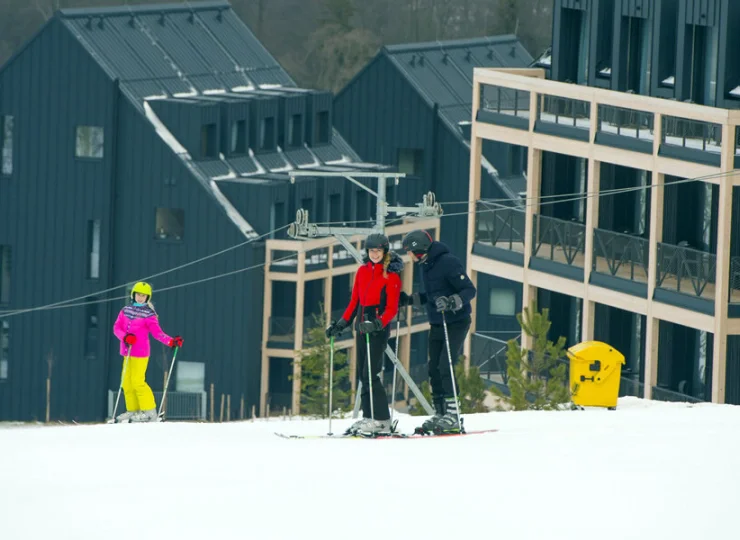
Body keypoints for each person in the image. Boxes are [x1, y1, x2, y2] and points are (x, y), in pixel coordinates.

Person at [325, 233, 403, 436]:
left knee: (372, 374)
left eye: (378, 250)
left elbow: (392, 308)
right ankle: (369, 417)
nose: (374, 254)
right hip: (360, 327)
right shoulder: (362, 271)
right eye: (371, 250)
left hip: (377, 330)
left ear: (384, 251)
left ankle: (383, 420)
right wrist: (341, 324)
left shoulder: (391, 276)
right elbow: (354, 302)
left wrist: (377, 324)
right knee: (362, 374)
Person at [400, 230, 476, 434]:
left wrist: (452, 302)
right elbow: (431, 295)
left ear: (419, 249)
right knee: (433, 367)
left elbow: (469, 290)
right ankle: (441, 413)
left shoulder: (448, 262)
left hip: (456, 321)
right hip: (437, 322)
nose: (409, 256)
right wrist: (410, 300)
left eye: (409, 251)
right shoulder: (425, 264)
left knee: (445, 365)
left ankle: (453, 415)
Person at [112, 282, 183, 423]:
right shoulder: (125, 310)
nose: (140, 298)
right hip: (127, 351)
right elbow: (116, 327)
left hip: (140, 352)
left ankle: (150, 411)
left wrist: (171, 341)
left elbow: (157, 333)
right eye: (138, 294)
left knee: (138, 382)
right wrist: (125, 337)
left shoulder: (149, 314)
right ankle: (132, 410)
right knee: (126, 382)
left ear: (147, 297)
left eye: (143, 295)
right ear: (133, 295)